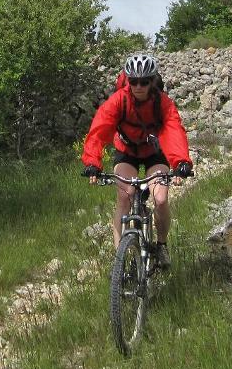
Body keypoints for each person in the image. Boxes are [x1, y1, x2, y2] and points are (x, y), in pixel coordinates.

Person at [81, 53, 193, 268]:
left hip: (154, 152)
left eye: (144, 81)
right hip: (127, 151)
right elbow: (99, 130)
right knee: (125, 196)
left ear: (152, 81)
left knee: (160, 198)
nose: (138, 86)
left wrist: (180, 163)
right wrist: (93, 163)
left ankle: (161, 246)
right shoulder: (119, 100)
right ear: (128, 80)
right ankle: (119, 261)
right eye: (133, 81)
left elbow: (173, 130)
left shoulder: (163, 103)